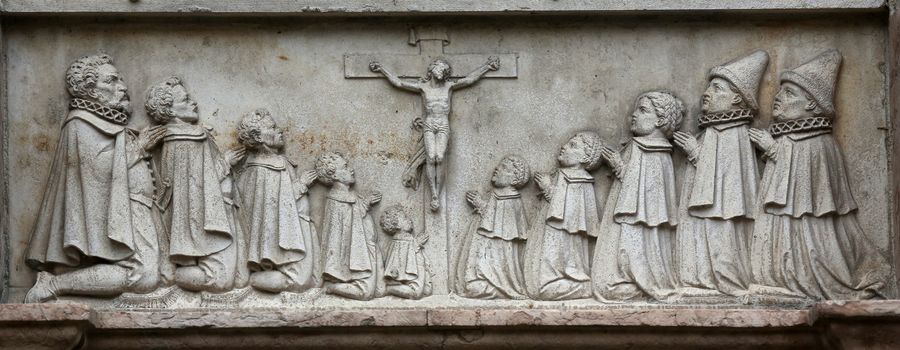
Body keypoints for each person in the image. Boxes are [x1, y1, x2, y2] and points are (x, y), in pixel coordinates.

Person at [748, 50, 895, 300]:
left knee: (809, 236)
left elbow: (809, 193)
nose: (778, 97)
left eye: (790, 93)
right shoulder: (789, 135)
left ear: (812, 104)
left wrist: (773, 149)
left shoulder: (817, 141)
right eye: (781, 91)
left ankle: (808, 280)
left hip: (810, 224)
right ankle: (783, 278)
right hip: (784, 221)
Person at [25, 54, 166, 303]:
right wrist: (138, 148)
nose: (122, 87)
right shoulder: (80, 124)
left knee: (162, 273)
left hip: (138, 209)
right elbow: (97, 173)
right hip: (121, 212)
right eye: (111, 81)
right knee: (143, 275)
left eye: (120, 80)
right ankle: (53, 284)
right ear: (90, 89)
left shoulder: (106, 122)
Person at [672, 51, 769, 299]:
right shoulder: (712, 131)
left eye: (717, 89)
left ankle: (727, 282)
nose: (707, 94)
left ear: (737, 99)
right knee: (700, 234)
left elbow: (728, 185)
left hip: (724, 209)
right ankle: (702, 281)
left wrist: (695, 154)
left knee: (722, 236)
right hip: (703, 209)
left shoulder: (735, 132)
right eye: (708, 88)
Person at [145, 76, 248, 294]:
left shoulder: (189, 135)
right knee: (221, 281)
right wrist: (226, 163)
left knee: (239, 277)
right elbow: (196, 185)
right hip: (204, 221)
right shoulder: (184, 138)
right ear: (170, 110)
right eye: (185, 99)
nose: (194, 103)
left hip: (218, 211)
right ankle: (175, 275)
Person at [370, 56, 500, 211]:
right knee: (431, 157)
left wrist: (487, 67)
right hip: (429, 124)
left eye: (445, 68)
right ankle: (434, 194)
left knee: (440, 156)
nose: (442, 70)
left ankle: (438, 191)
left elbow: (469, 80)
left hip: (443, 124)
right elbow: (398, 83)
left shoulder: (449, 87)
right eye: (439, 67)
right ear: (431, 69)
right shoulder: (423, 87)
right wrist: (382, 70)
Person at [592, 91, 684, 302]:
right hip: (626, 224)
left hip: (638, 226)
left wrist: (618, 166)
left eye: (643, 110)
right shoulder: (638, 146)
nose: (633, 115)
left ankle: (643, 284)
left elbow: (648, 199)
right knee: (604, 284)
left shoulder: (657, 153)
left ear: (660, 120)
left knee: (608, 286)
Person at [234, 108, 320, 293]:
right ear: (259, 137)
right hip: (280, 241)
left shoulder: (277, 162)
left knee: (311, 277)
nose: (279, 131)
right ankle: (257, 280)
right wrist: (302, 184)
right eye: (272, 128)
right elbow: (275, 205)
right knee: (300, 281)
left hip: (297, 228)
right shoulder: (261, 169)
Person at [524, 131, 604, 300]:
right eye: (568, 143)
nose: (564, 147)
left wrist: (548, 188)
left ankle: (583, 287)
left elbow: (569, 214)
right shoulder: (563, 175)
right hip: (550, 234)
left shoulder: (580, 181)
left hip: (564, 238)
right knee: (538, 284)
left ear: (585, 157)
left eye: (573, 146)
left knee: (543, 288)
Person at [456, 155, 531, 299]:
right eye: (499, 165)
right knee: (470, 287)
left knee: (474, 289)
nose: (497, 168)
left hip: (495, 273)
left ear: (514, 179)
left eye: (504, 168)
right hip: (481, 267)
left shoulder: (511, 200)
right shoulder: (495, 196)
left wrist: (482, 205)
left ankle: (502, 291)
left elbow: (502, 247)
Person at [316, 152, 384, 300]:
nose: (351, 169)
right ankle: (331, 288)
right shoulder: (336, 200)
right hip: (356, 257)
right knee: (365, 293)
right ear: (333, 175)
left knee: (380, 290)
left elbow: (354, 218)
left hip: (368, 249)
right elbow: (343, 232)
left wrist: (365, 202)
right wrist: (365, 204)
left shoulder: (349, 196)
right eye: (345, 167)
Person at [380, 205, 431, 299]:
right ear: (397, 225)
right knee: (416, 293)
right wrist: (416, 244)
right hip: (409, 273)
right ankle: (389, 289)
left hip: (418, 266)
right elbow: (398, 259)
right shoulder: (400, 239)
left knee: (427, 290)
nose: (409, 219)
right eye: (404, 218)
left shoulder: (405, 238)